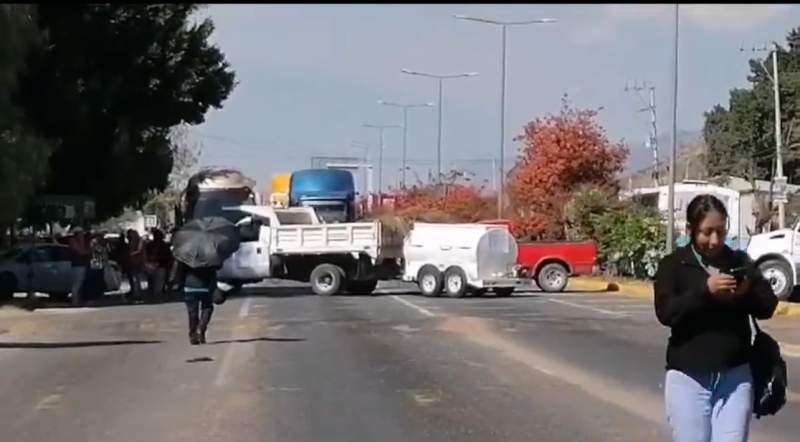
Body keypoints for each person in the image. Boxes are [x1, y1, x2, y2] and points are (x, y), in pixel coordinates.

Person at [654, 194, 778, 442]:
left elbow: (768, 306)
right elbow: (666, 312)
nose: (715, 240)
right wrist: (705, 291)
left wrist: (745, 295)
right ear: (691, 229)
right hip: (688, 378)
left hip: (735, 377)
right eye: (707, 232)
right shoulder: (674, 265)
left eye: (721, 231)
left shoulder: (739, 262)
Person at [170, 261, 219, 345]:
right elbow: (218, 266)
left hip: (189, 286)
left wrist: (175, 282)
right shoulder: (209, 255)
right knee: (207, 307)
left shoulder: (186, 256)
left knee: (192, 312)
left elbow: (178, 270)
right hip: (205, 286)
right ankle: (201, 328)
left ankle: (193, 335)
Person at [144, 228, 171, 303]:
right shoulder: (152, 245)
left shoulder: (163, 246)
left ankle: (155, 299)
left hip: (159, 267)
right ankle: (155, 298)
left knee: (156, 285)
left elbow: (167, 257)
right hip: (156, 266)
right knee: (154, 284)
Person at [68, 227, 91, 306]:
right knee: (77, 283)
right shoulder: (73, 241)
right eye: (81, 233)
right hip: (77, 265)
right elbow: (81, 252)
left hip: (81, 264)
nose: (82, 235)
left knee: (80, 283)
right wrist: (87, 251)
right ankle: (74, 300)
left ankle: (78, 299)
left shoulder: (81, 242)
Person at [126, 229, 146, 302]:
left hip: (138, 262)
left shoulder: (139, 241)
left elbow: (139, 250)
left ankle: (137, 295)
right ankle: (135, 293)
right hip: (132, 263)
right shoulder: (131, 242)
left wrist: (131, 254)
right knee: (133, 279)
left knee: (136, 279)